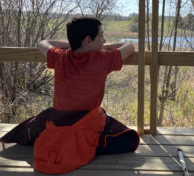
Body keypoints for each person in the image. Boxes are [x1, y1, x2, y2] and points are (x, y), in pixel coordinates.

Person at [0, 17, 140, 174]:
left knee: (37, 124)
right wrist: (103, 47)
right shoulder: (103, 59)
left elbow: (43, 43)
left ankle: (50, 138)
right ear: (88, 40)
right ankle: (88, 144)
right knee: (129, 140)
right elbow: (130, 46)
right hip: (89, 122)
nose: (104, 39)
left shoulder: (61, 57)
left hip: (58, 120)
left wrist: (73, 45)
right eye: (101, 35)